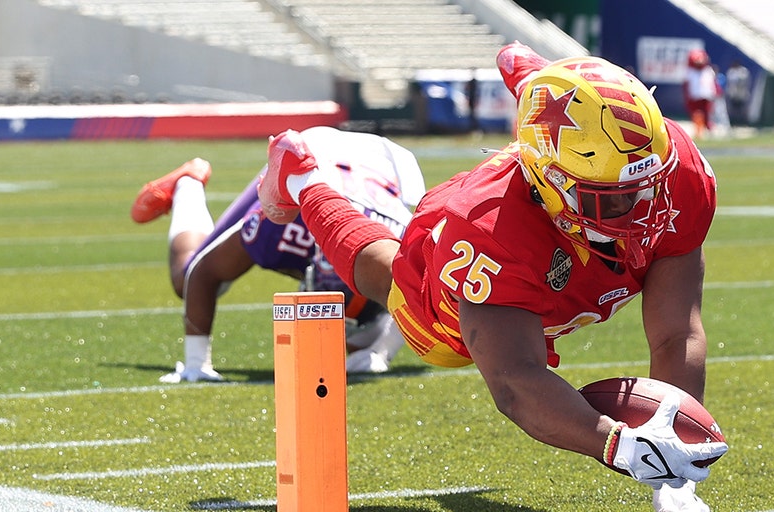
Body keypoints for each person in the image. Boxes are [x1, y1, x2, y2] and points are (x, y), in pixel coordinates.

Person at [258, 43, 728, 511]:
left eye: (649, 186)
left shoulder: (669, 170)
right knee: (392, 281)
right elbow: (515, 383)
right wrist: (621, 445)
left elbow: (676, 333)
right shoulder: (490, 234)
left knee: (619, 168)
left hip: (559, 216)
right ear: (552, 183)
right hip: (484, 262)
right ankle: (302, 177)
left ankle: (536, 79)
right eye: (613, 199)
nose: (644, 210)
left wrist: (674, 478)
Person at [130, 126, 427, 382]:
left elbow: (421, 293)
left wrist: (380, 352)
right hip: (306, 160)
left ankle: (365, 332)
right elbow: (205, 272)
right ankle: (188, 183)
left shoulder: (403, 246)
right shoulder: (282, 225)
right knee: (187, 278)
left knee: (358, 338)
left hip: (382, 167)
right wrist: (196, 364)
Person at [682, 49, 718, 139]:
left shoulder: (708, 71)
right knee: (697, 114)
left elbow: (712, 84)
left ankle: (709, 129)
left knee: (707, 114)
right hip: (695, 97)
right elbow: (686, 86)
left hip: (706, 96)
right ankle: (699, 131)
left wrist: (714, 92)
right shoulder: (690, 72)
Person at [724, 60, 751, 127]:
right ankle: (734, 123)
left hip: (742, 94)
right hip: (733, 94)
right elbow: (729, 83)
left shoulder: (743, 71)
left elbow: (744, 82)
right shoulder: (731, 72)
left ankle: (744, 123)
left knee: (743, 110)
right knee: (733, 110)